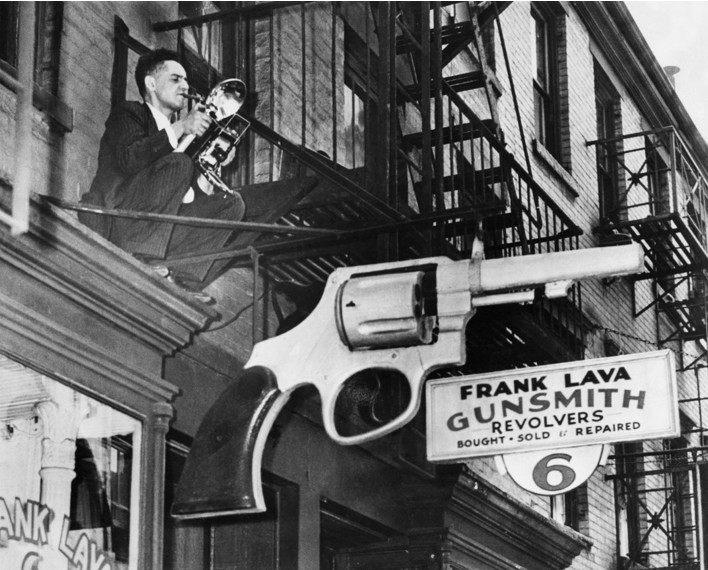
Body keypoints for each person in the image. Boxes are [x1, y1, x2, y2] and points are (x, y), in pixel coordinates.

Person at [79, 48, 245, 292]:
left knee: (232, 203)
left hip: (159, 231)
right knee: (180, 163)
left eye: (186, 80)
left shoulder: (181, 138)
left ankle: (183, 279)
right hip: (120, 220)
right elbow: (130, 159)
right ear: (151, 83)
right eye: (176, 79)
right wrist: (182, 127)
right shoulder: (130, 113)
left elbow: (186, 198)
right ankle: (143, 257)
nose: (185, 86)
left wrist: (212, 162)